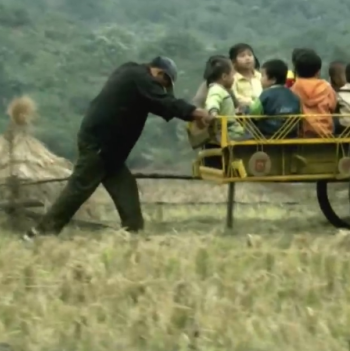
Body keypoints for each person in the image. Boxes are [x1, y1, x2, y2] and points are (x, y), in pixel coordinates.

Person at [23, 56, 212, 240]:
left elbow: (161, 104)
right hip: (99, 146)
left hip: (111, 154)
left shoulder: (132, 75)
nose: (162, 89)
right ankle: (39, 234)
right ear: (159, 73)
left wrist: (189, 114)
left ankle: (133, 234)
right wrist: (197, 113)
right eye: (164, 84)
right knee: (78, 190)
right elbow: (165, 102)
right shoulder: (140, 78)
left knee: (126, 189)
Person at [244, 58, 301, 137]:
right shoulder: (292, 93)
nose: (260, 79)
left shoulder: (266, 94)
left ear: (273, 80)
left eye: (262, 76)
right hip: (290, 133)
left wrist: (246, 110)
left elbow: (254, 111)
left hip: (270, 133)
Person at [290, 48, 337, 137]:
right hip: (325, 132)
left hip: (303, 134)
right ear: (318, 71)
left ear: (296, 71)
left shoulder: (294, 88)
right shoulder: (326, 87)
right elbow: (333, 106)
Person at [203, 55, 250, 141]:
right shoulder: (216, 89)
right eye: (232, 75)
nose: (234, 78)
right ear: (224, 77)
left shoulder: (222, 90)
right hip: (231, 132)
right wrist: (213, 112)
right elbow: (213, 101)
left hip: (232, 130)